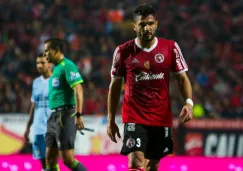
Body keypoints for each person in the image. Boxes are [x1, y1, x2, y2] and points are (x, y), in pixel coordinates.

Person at [107, 4, 193, 171]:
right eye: (141, 24)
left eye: (150, 23)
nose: (146, 28)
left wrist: (189, 102)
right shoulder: (123, 51)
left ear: (156, 24)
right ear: (134, 26)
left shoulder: (170, 48)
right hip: (134, 115)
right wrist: (110, 119)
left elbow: (182, 78)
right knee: (135, 163)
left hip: (161, 117)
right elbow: (115, 85)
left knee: (152, 165)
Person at [44, 38, 87, 171]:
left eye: (47, 51)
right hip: (54, 115)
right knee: (50, 160)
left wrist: (78, 114)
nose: (45, 54)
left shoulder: (67, 66)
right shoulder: (55, 69)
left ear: (56, 50)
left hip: (65, 115)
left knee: (68, 160)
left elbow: (78, 89)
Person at [24, 53, 52, 171]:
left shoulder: (57, 81)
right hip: (38, 128)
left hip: (52, 128)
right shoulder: (36, 82)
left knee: (51, 160)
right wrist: (28, 127)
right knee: (43, 164)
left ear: (50, 64)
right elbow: (33, 106)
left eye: (42, 63)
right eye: (37, 63)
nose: (39, 65)